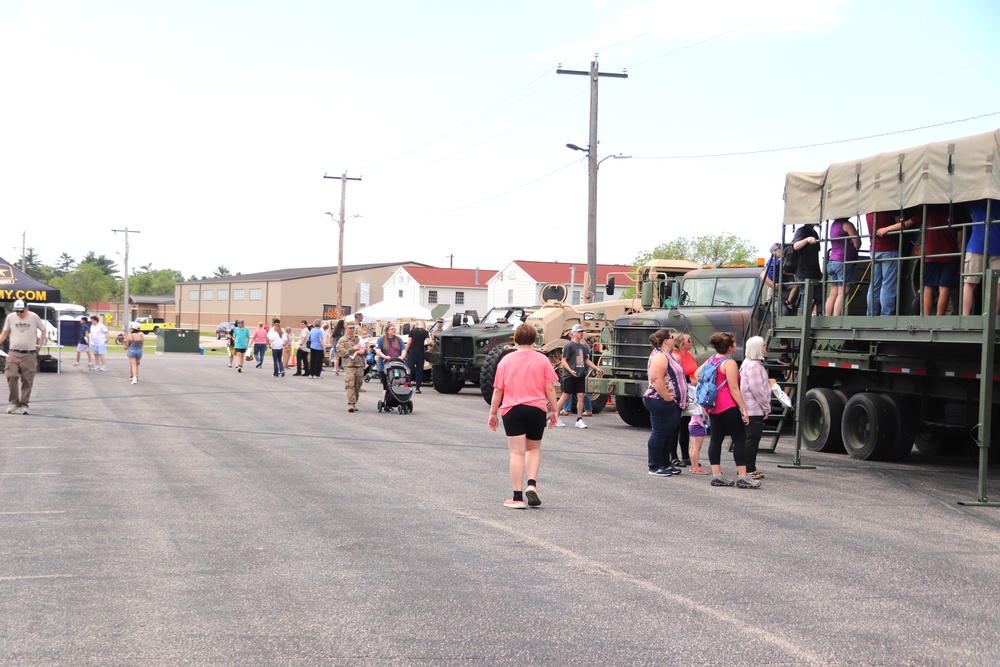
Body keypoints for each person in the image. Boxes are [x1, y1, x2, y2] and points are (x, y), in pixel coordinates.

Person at [487, 323, 559, 509]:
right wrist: (555, 410)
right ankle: (532, 484)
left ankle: (517, 497)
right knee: (533, 449)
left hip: (513, 409)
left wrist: (493, 413)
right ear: (534, 339)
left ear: (515, 339)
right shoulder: (542, 359)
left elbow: (497, 390)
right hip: (536, 409)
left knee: (516, 452)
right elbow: (550, 387)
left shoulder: (505, 360)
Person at [694, 331, 758, 488]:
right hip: (728, 406)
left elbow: (696, 374)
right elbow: (734, 389)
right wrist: (744, 409)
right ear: (730, 347)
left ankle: (717, 475)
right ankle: (743, 476)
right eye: (734, 343)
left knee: (716, 440)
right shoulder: (729, 363)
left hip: (714, 406)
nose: (736, 345)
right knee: (739, 439)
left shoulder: (712, 359)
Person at [642, 328, 686, 476]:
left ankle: (665, 463)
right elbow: (656, 378)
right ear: (666, 340)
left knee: (667, 433)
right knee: (659, 433)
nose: (675, 339)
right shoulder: (660, 356)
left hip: (670, 401)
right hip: (659, 400)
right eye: (672, 337)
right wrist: (667, 397)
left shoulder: (667, 355)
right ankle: (654, 466)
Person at [909, 205, 961, 316]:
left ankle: (926, 319)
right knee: (945, 287)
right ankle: (939, 318)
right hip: (950, 254)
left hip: (931, 254)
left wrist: (887, 229)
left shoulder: (927, 210)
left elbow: (907, 223)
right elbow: (960, 238)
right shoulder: (955, 210)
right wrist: (961, 256)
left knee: (928, 286)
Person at [0, 300, 47, 414]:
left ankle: (24, 404)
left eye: (21, 311)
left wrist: (39, 344)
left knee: (27, 379)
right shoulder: (11, 317)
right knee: (11, 375)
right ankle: (13, 402)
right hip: (13, 352)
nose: (19, 314)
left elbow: (43, 330)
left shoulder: (33, 317)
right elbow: (5, 332)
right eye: (17, 311)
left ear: (27, 309)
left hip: (29, 353)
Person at [553, 325, 603, 429]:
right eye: (579, 331)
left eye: (582, 331)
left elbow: (586, 360)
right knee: (565, 397)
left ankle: (579, 419)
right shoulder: (569, 346)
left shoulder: (583, 347)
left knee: (581, 396)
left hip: (580, 375)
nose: (581, 333)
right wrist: (570, 370)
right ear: (573, 333)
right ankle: (555, 417)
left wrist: (596, 368)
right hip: (569, 376)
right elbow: (563, 360)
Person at [866, 211, 913, 316]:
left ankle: (871, 315)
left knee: (874, 285)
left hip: (874, 249)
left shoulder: (869, 209)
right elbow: (900, 224)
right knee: (888, 284)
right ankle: (886, 316)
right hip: (889, 248)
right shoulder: (890, 207)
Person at [739, 336, 772, 482]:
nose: (766, 347)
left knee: (749, 438)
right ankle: (749, 468)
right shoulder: (754, 365)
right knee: (753, 439)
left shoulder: (748, 363)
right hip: (754, 408)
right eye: (764, 345)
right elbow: (757, 389)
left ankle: (746, 467)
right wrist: (766, 407)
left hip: (749, 407)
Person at [961, 200, 1000, 316]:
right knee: (998, 284)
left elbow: (971, 216)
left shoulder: (975, 200)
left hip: (976, 244)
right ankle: (993, 317)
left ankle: (965, 317)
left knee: (969, 282)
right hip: (998, 244)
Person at [671, 332, 697, 467]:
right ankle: (673, 456)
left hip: (690, 391)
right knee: (676, 425)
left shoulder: (689, 355)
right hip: (681, 391)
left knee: (685, 425)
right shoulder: (676, 357)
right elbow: (675, 375)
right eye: (689, 340)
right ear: (681, 343)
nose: (691, 341)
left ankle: (685, 456)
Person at [825, 217, 860, 316]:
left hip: (833, 261)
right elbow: (856, 244)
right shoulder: (847, 225)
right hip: (843, 261)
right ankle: (837, 319)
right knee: (843, 292)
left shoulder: (834, 225)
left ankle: (827, 317)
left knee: (833, 294)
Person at [792, 223, 823, 315]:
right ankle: (804, 319)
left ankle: (820, 316)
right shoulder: (802, 231)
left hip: (814, 271)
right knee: (806, 296)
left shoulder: (813, 232)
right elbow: (796, 246)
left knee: (819, 297)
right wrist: (807, 239)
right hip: (804, 271)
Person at [337, 321, 365, 412]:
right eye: (350, 328)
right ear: (346, 328)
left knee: (358, 385)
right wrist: (353, 349)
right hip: (349, 365)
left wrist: (363, 351)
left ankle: (355, 401)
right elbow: (341, 353)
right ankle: (351, 404)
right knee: (350, 385)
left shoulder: (358, 339)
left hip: (359, 365)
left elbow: (366, 348)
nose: (352, 330)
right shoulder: (342, 340)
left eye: (353, 328)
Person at [374, 323, 406, 390]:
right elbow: (377, 350)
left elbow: (403, 349)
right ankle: (386, 398)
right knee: (386, 385)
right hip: (384, 365)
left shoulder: (398, 339)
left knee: (397, 382)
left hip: (396, 364)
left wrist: (402, 357)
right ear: (387, 331)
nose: (394, 330)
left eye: (394, 329)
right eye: (392, 329)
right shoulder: (381, 339)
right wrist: (384, 356)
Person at [405, 320, 431, 393]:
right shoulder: (425, 332)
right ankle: (417, 388)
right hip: (420, 353)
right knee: (419, 370)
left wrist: (406, 351)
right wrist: (432, 345)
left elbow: (409, 342)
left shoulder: (412, 331)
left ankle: (407, 385)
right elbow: (428, 342)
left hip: (412, 352)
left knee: (409, 369)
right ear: (424, 326)